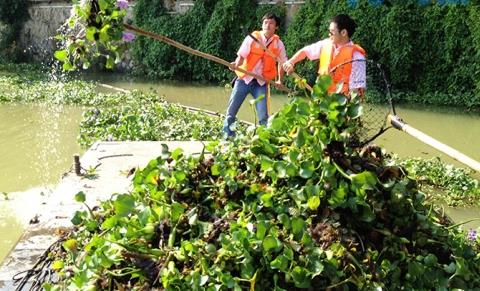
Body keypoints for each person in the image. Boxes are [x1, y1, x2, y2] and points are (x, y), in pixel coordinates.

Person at [223, 12, 287, 138]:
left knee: (263, 115)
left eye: (271, 23)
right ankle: (228, 137)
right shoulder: (252, 38)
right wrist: (235, 65)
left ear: (276, 27)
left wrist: (280, 81)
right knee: (231, 111)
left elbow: (282, 62)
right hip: (244, 79)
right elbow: (241, 56)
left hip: (261, 83)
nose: (267, 25)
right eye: (265, 22)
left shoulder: (278, 44)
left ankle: (263, 139)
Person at [282, 14, 366, 96]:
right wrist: (291, 62)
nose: (329, 34)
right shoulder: (325, 44)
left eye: (332, 32)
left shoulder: (357, 57)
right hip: (322, 101)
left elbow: (356, 90)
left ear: (343, 32)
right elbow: (305, 51)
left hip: (342, 105)